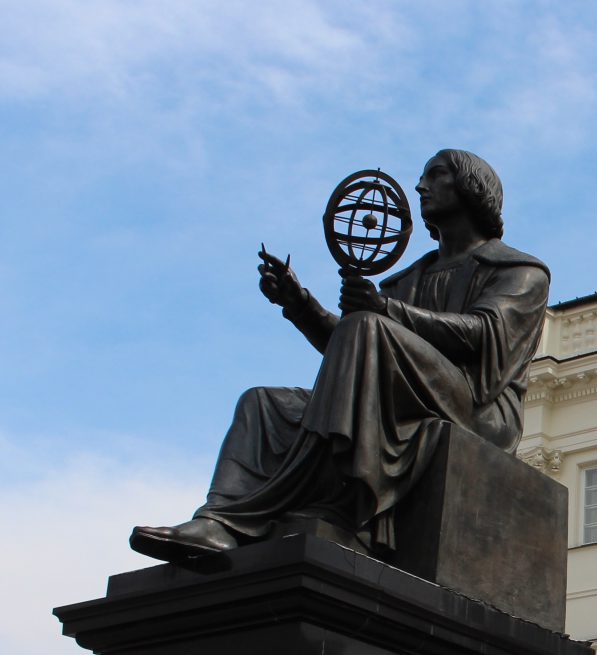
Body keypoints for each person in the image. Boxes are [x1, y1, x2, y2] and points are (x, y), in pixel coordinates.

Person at [130, 149, 550, 561]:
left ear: (472, 187)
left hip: (475, 407)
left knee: (366, 327)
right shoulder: (407, 279)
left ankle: (334, 510)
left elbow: (484, 334)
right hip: (401, 398)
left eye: (437, 175)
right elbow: (351, 351)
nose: (421, 185)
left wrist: (385, 310)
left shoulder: (519, 271)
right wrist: (300, 305)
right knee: (263, 403)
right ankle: (219, 522)